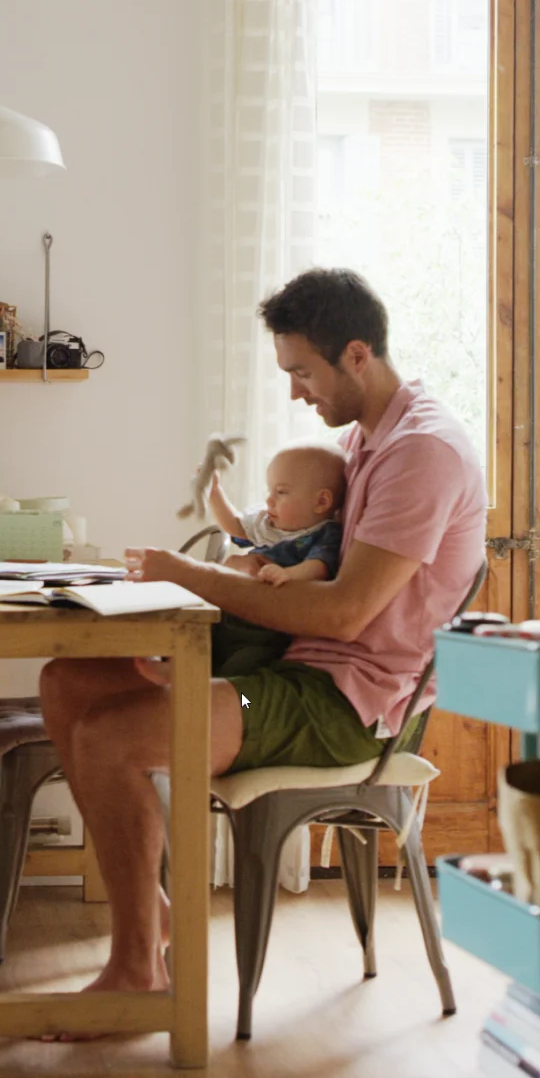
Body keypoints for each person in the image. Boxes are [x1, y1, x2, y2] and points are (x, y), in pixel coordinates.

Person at [38, 267, 486, 1005]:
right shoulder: (368, 440)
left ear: (357, 355)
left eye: (303, 372)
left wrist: (194, 575)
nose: (296, 393)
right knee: (70, 681)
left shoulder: (422, 452)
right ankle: (150, 916)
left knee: (110, 737)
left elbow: (343, 614)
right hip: (289, 672)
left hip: (346, 706)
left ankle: (137, 970)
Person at [204, 443, 348, 676]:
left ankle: (234, 698)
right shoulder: (270, 524)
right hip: (230, 614)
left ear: (321, 502)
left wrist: (287, 574)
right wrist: (214, 492)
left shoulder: (324, 533)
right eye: (270, 490)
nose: (269, 500)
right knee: (192, 636)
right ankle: (174, 674)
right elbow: (234, 525)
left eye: (281, 492)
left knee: (237, 670)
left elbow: (319, 567)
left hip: (262, 633)